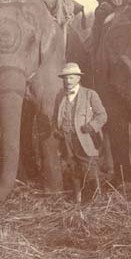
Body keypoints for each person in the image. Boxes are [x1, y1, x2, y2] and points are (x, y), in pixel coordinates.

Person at [54, 62, 107, 203]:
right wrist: (58, 130)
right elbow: (58, 116)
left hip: (86, 138)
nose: (68, 81)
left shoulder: (90, 94)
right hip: (67, 139)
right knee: (73, 168)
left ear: (78, 78)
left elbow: (102, 115)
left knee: (90, 168)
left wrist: (91, 127)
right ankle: (78, 200)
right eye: (65, 78)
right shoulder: (61, 97)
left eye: (71, 78)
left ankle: (97, 200)